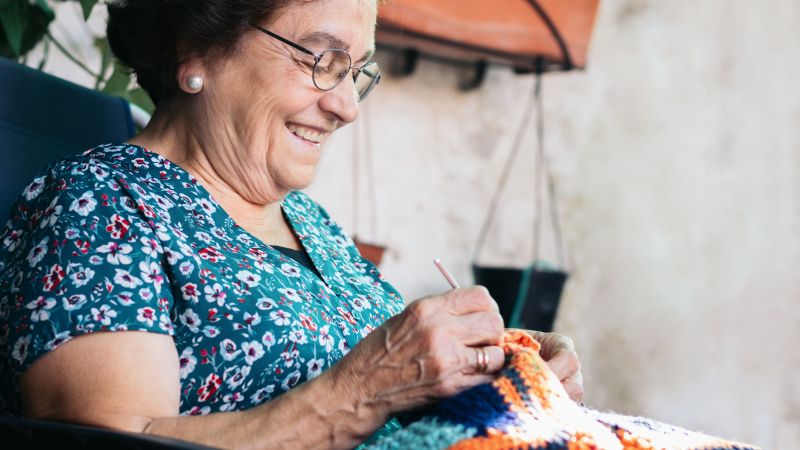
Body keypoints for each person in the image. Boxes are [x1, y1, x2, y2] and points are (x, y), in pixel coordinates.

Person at [0, 0, 583, 448]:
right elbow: (109, 443)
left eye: (357, 71)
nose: (347, 106)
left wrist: (499, 364)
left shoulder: (309, 222)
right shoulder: (104, 203)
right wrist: (360, 391)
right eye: (321, 60)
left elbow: (399, 380)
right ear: (197, 50)